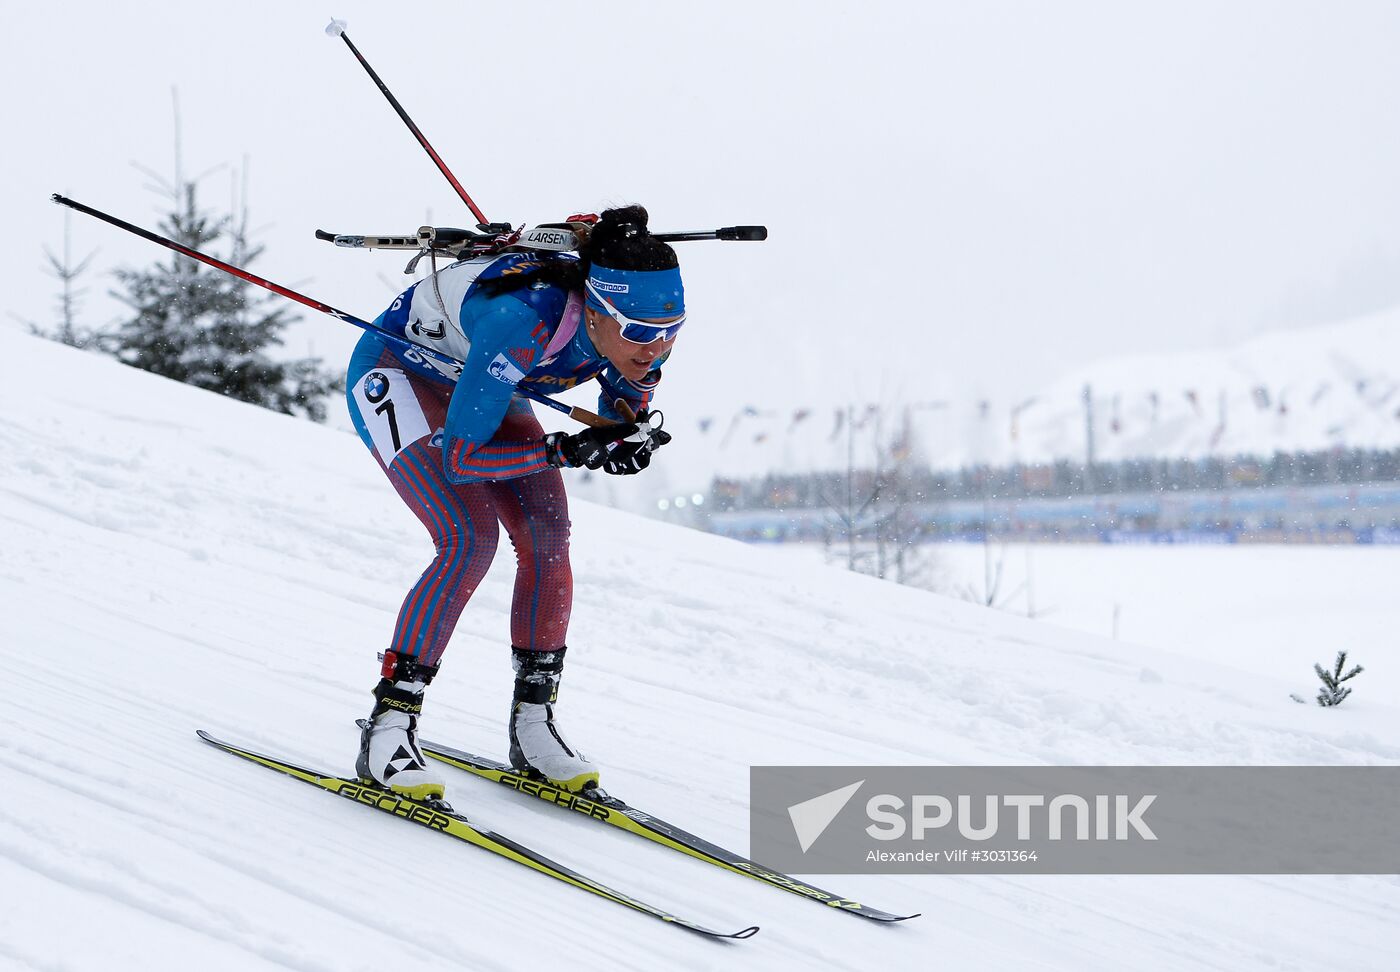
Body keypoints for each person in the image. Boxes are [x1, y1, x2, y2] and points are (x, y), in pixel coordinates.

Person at [344, 205, 682, 801]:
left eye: (670, 330)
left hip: (485, 385)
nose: (653, 349)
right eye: (638, 331)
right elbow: (462, 462)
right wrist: (565, 449)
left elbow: (617, 416)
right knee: (469, 539)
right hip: (401, 374)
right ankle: (388, 728)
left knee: (549, 537)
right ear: (599, 310)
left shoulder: (636, 340)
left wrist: (624, 440)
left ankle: (534, 725)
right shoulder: (522, 320)